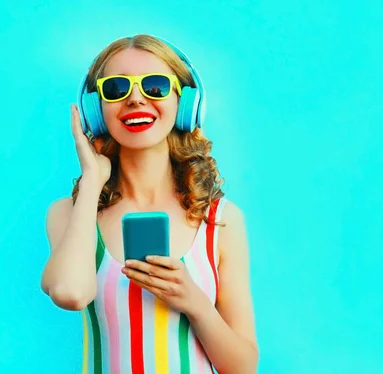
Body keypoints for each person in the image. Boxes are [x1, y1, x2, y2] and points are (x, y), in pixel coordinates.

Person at [41, 34, 258, 374]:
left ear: (185, 102)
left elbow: (244, 367)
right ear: (96, 110)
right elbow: (70, 293)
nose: (136, 99)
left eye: (155, 86)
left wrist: (195, 303)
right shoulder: (68, 213)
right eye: (116, 89)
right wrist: (91, 182)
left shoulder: (221, 221)